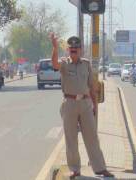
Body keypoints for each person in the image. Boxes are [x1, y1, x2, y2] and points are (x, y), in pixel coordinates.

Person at [50, 34, 114, 178]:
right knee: (71, 138)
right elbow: (54, 64)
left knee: (92, 137)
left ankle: (100, 168)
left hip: (85, 103)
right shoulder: (64, 64)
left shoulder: (86, 64)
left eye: (76, 48)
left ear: (81, 50)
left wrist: (95, 107)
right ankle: (75, 169)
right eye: (71, 49)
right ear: (68, 50)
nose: (74, 50)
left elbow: (91, 87)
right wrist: (54, 47)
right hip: (70, 103)